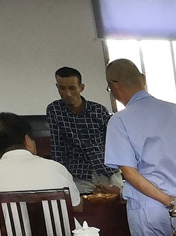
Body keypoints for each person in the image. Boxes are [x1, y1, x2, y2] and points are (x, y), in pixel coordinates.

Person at [103, 58, 176, 236]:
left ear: (114, 86)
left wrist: (170, 201)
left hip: (149, 209)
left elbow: (130, 173)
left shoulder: (119, 121)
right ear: (143, 79)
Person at [46, 65, 124, 195]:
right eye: (62, 88)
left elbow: (114, 143)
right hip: (78, 173)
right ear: (57, 87)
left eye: (72, 88)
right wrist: (59, 177)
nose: (68, 94)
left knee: (117, 201)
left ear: (81, 88)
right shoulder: (54, 110)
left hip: (106, 169)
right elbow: (58, 146)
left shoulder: (98, 110)